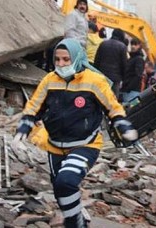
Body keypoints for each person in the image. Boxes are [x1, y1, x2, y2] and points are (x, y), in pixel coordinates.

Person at [12, 38, 137, 228]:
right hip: (55, 145)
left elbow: (112, 106)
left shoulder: (94, 81)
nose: (61, 64)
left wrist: (121, 124)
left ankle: (74, 224)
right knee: (60, 191)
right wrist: (26, 123)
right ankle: (77, 220)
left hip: (85, 144)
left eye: (66, 60)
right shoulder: (49, 80)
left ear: (77, 58)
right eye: (58, 60)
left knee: (66, 181)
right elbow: (34, 105)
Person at [94, 29, 128, 98]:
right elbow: (124, 65)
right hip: (115, 79)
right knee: (113, 99)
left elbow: (97, 60)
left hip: (102, 76)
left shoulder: (103, 44)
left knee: (101, 96)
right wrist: (124, 78)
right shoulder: (122, 47)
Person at [121, 38, 145, 103]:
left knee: (130, 110)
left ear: (139, 46)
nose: (133, 46)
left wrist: (128, 87)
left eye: (135, 44)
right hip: (127, 90)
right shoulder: (131, 58)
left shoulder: (139, 59)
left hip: (132, 91)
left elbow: (138, 75)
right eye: (131, 44)